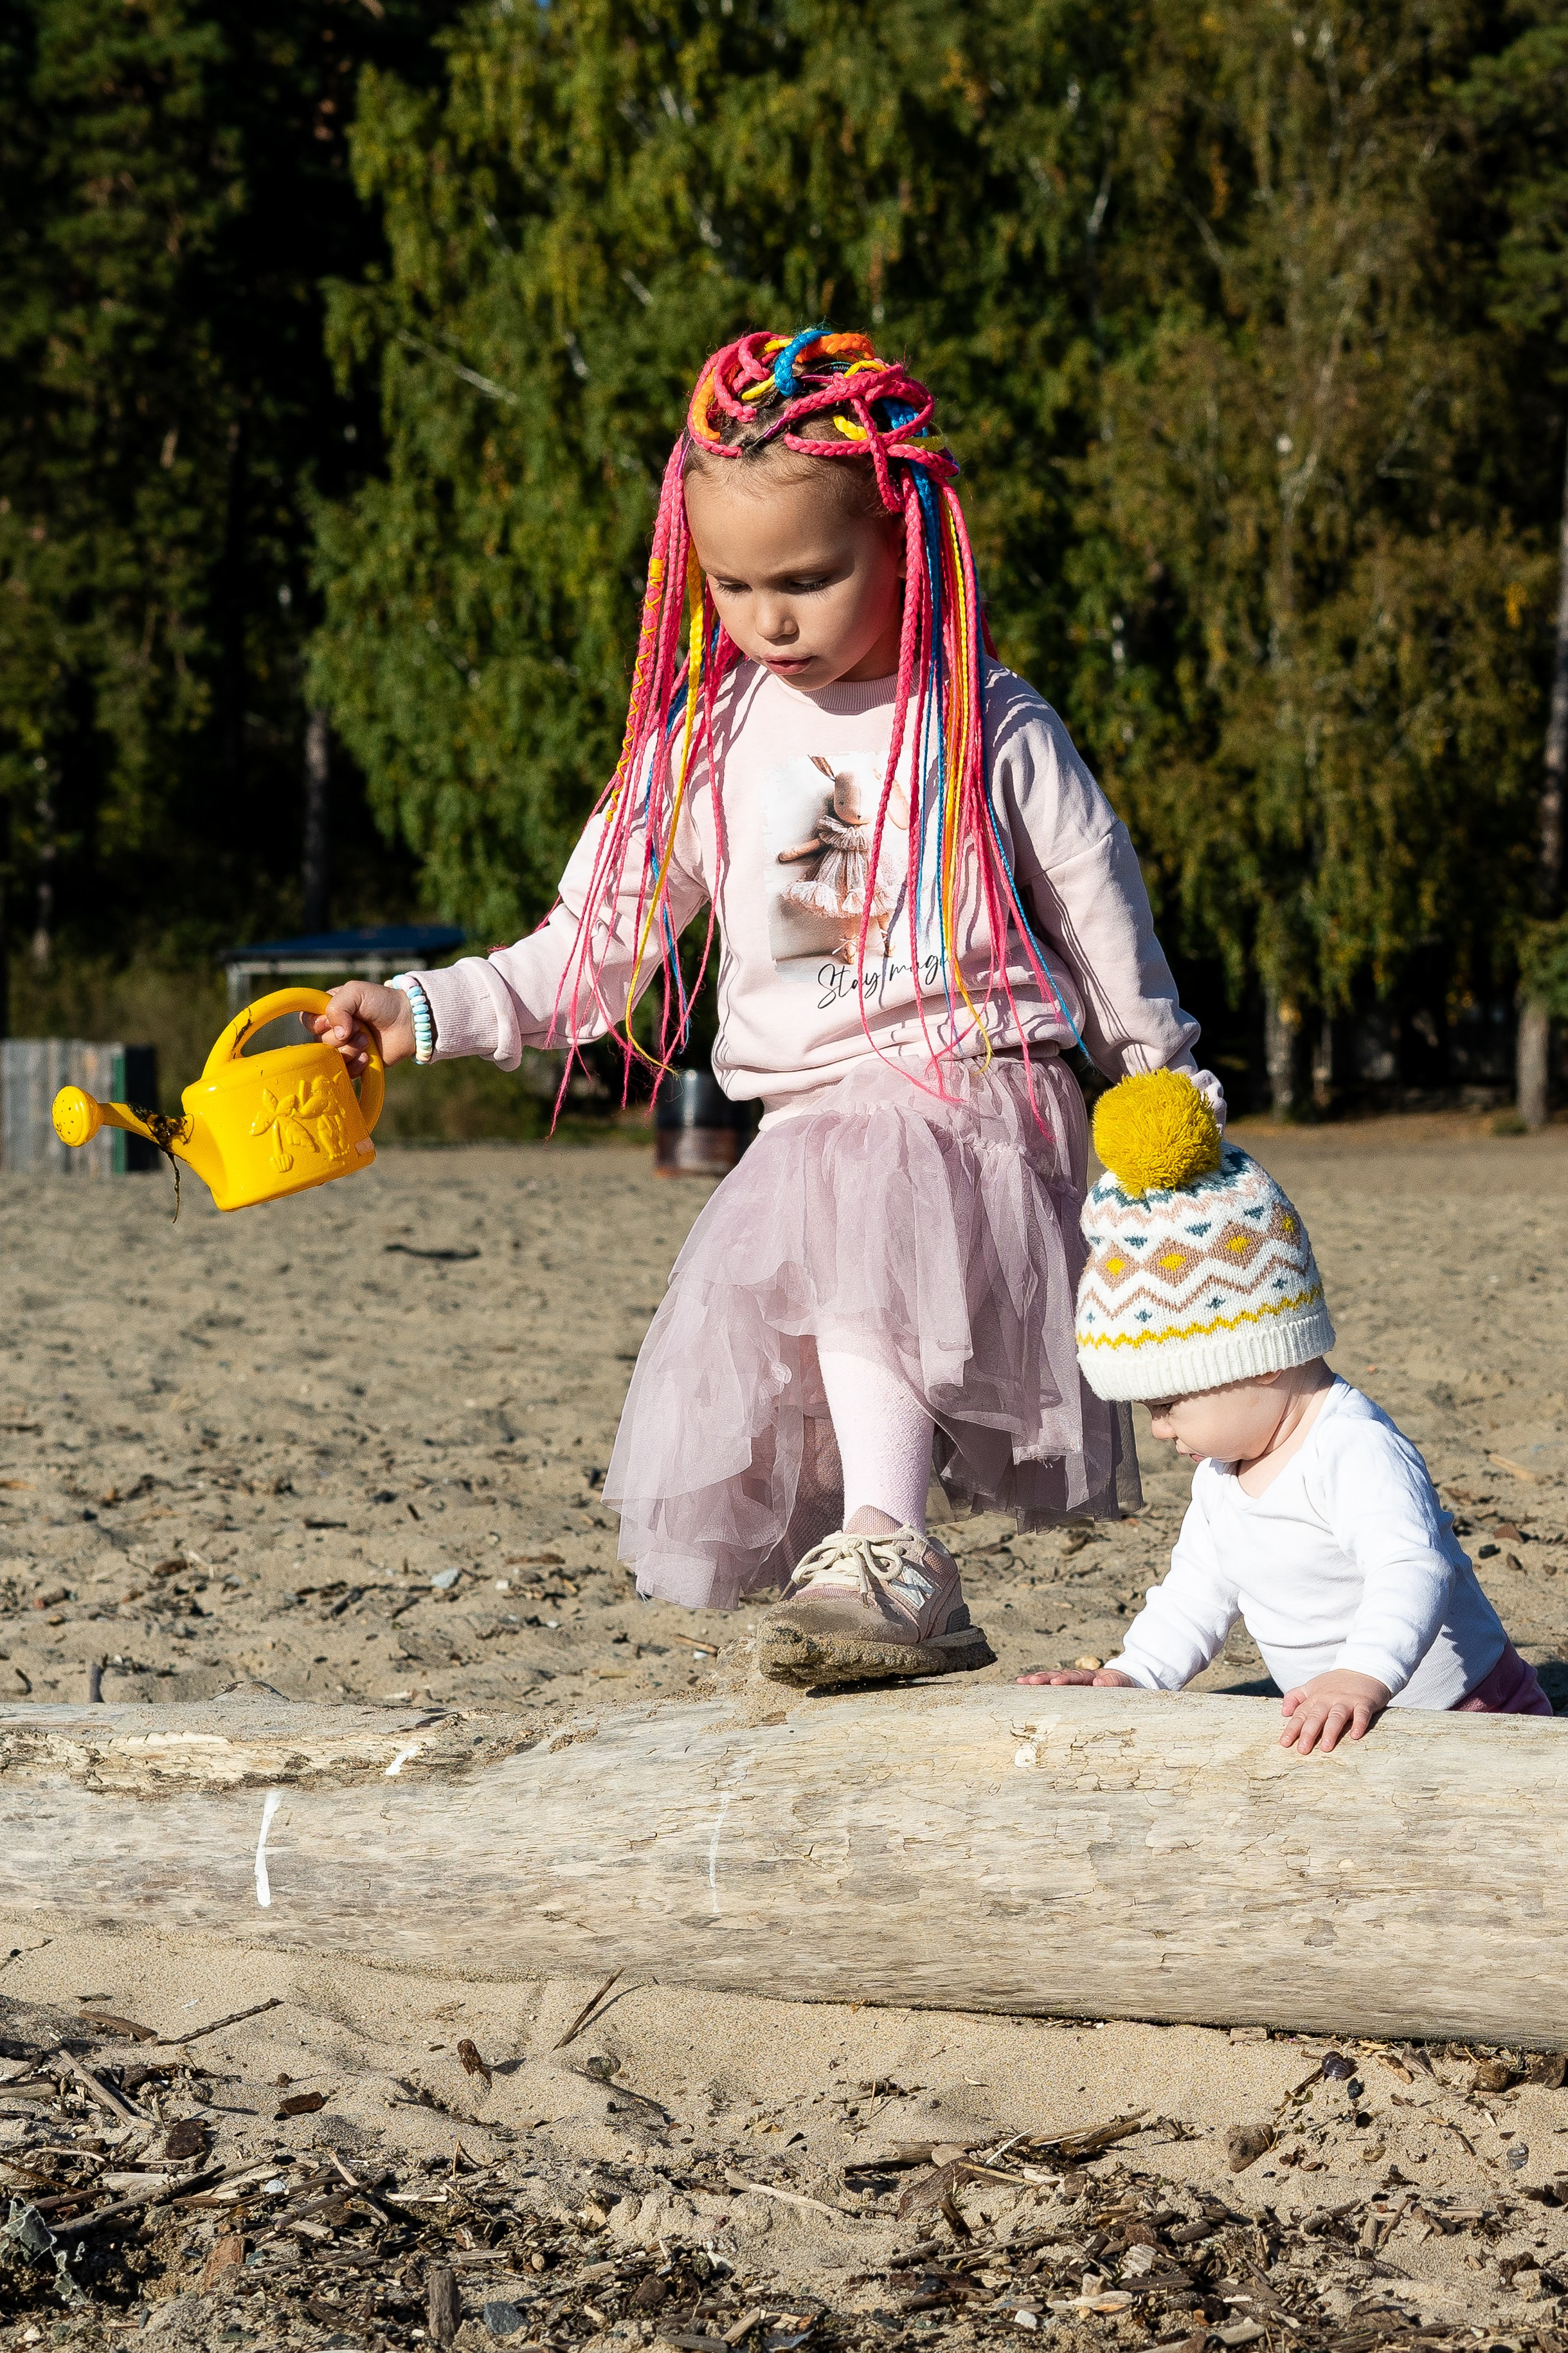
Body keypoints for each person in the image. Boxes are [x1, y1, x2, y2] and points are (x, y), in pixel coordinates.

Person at [312, 327, 1224, 1689]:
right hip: (812, 1119)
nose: (768, 617)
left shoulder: (982, 720)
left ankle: (888, 1543)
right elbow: (594, 948)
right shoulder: (710, 743)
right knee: (822, 1202)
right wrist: (420, 1009)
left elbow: (1100, 909)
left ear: (906, 541)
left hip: (979, 1089)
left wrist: (1156, 1069)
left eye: (806, 577)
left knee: (862, 1161)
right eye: (732, 584)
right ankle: (875, 1558)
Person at [1017, 1068, 1553, 1752]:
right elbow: (1196, 1593)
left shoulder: (1351, 1444)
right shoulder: (1222, 1473)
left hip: (1472, 1711)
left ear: (1258, 1357)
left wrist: (1362, 1674)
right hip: (1347, 1720)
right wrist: (1134, 1672)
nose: (1161, 1428)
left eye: (1169, 1402)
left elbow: (1412, 1567)